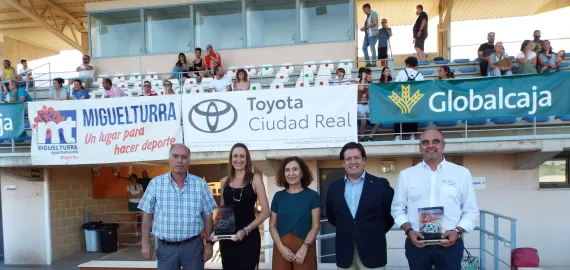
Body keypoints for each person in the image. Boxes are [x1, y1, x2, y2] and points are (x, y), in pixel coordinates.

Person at [391, 129, 479, 270]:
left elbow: (471, 211)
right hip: (417, 243)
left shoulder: (461, 174)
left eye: (435, 141)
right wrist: (409, 231)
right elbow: (397, 208)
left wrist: (457, 231)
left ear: (443, 145)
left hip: (450, 244)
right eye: (425, 142)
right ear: (420, 147)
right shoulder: (407, 175)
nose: (430, 145)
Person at [138, 144, 217, 270]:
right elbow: (147, 215)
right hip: (166, 248)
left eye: (184, 157)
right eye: (175, 156)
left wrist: (209, 243)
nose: (179, 160)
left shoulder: (200, 184)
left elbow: (208, 216)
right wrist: (145, 243)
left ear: (189, 161)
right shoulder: (156, 184)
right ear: (169, 159)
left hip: (193, 247)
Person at [326, 142, 394, 270]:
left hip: (373, 252)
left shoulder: (380, 185)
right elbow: (332, 217)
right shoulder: (334, 188)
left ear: (364, 160)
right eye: (348, 159)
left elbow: (390, 215)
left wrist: (373, 231)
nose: (353, 162)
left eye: (356, 157)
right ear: (343, 163)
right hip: (345, 253)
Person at [211, 143, 270, 270]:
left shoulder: (255, 179)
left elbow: (266, 212)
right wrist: (216, 233)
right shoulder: (224, 181)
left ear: (247, 159)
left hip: (249, 237)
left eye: (242, 156)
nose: (238, 160)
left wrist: (245, 230)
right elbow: (222, 213)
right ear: (231, 159)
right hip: (228, 241)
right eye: (235, 156)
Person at [270, 156, 320, 270]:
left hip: (305, 249)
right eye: (287, 170)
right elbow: (272, 225)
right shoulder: (278, 197)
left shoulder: (313, 196)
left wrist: (304, 248)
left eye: (295, 169)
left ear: (302, 173)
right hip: (281, 248)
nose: (291, 173)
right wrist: (281, 248)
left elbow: (316, 226)